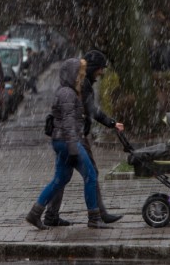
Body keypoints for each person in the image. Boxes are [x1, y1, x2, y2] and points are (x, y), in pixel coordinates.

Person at [25, 58, 110, 229]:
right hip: (67, 142)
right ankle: (94, 218)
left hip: (62, 141)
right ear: (73, 74)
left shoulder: (67, 92)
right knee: (91, 175)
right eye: (80, 74)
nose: (82, 77)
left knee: (60, 179)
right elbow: (68, 124)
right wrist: (73, 150)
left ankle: (35, 214)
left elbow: (71, 120)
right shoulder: (68, 94)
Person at [43, 49, 125, 226]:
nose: (102, 72)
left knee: (61, 177)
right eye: (101, 68)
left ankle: (50, 215)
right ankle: (97, 215)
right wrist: (111, 123)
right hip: (74, 136)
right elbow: (92, 110)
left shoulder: (78, 83)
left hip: (67, 136)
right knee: (90, 173)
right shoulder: (82, 85)